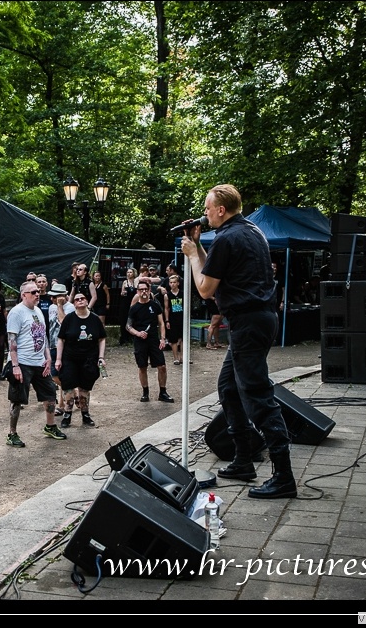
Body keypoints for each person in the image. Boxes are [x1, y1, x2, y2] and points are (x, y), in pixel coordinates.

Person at [181, 183, 297, 499]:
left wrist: (191, 255)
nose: (205, 214)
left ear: (221, 210)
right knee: (229, 388)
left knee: (257, 395)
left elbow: (205, 288)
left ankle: (283, 476)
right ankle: (243, 459)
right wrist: (198, 246)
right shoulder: (251, 231)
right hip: (259, 319)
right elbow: (215, 270)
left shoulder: (226, 238)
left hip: (248, 323)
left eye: (208, 208)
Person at [4, 280, 65, 447]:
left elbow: (43, 336)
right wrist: (15, 366)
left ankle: (50, 426)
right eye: (33, 292)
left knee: (50, 395)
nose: (37, 294)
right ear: (24, 295)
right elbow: (12, 341)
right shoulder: (16, 312)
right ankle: (12, 434)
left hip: (40, 362)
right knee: (17, 399)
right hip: (22, 362)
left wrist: (48, 358)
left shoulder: (38, 311)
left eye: (38, 291)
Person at [55, 290, 106, 429]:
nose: (80, 300)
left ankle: (85, 414)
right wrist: (58, 359)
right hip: (70, 358)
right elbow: (61, 339)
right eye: (77, 299)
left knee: (85, 388)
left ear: (87, 301)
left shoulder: (95, 319)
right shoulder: (69, 319)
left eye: (82, 298)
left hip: (89, 358)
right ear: (74, 304)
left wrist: (101, 357)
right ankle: (67, 415)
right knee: (68, 387)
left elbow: (102, 339)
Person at [125, 280, 174, 404]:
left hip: (153, 340)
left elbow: (161, 323)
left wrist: (163, 339)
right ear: (138, 292)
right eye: (141, 290)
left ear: (149, 290)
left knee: (162, 366)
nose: (144, 292)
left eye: (146, 289)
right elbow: (128, 326)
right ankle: (145, 392)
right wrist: (138, 333)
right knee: (142, 367)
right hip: (140, 341)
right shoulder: (134, 308)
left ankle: (163, 392)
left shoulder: (155, 305)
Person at [164, 274, 185, 365]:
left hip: (182, 318)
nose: (172, 284)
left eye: (174, 282)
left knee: (183, 338)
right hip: (173, 319)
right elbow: (166, 308)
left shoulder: (183, 293)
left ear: (178, 283)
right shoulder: (167, 295)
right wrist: (167, 320)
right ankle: (175, 358)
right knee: (173, 339)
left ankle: (183, 357)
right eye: (171, 282)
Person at [119, 266, 138, 345]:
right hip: (125, 303)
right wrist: (123, 293)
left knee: (133, 320)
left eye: (130, 272)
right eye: (128, 272)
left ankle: (132, 337)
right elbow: (121, 292)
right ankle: (124, 338)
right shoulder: (125, 282)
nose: (129, 274)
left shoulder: (136, 281)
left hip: (134, 302)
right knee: (124, 319)